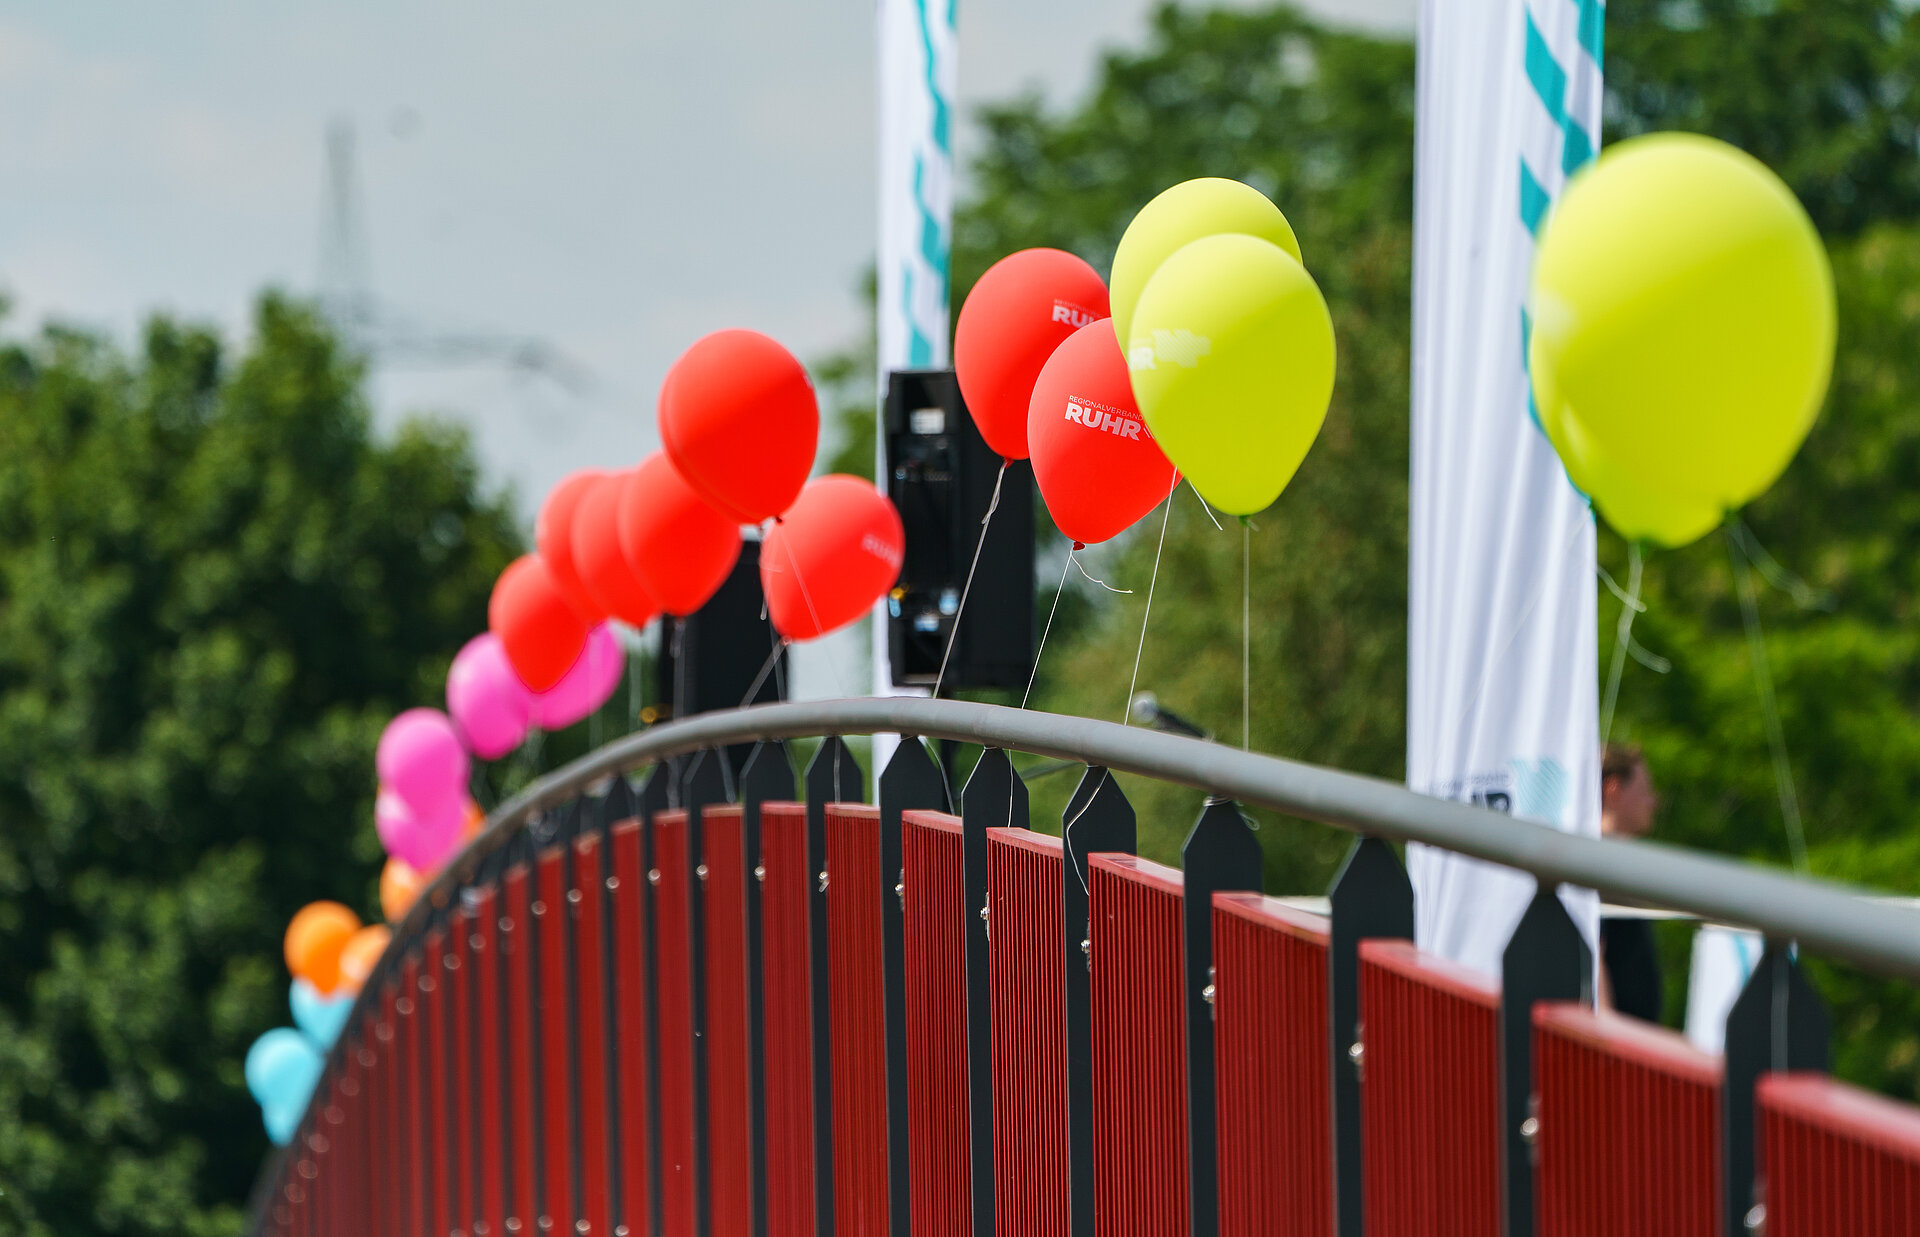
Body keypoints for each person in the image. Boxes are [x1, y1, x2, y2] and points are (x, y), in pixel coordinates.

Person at [1598, 742, 1664, 1021]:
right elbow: (1592, 951)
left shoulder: (1614, 863)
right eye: (1645, 789)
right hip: (1615, 1046)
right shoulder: (1596, 863)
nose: (1654, 801)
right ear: (1614, 790)